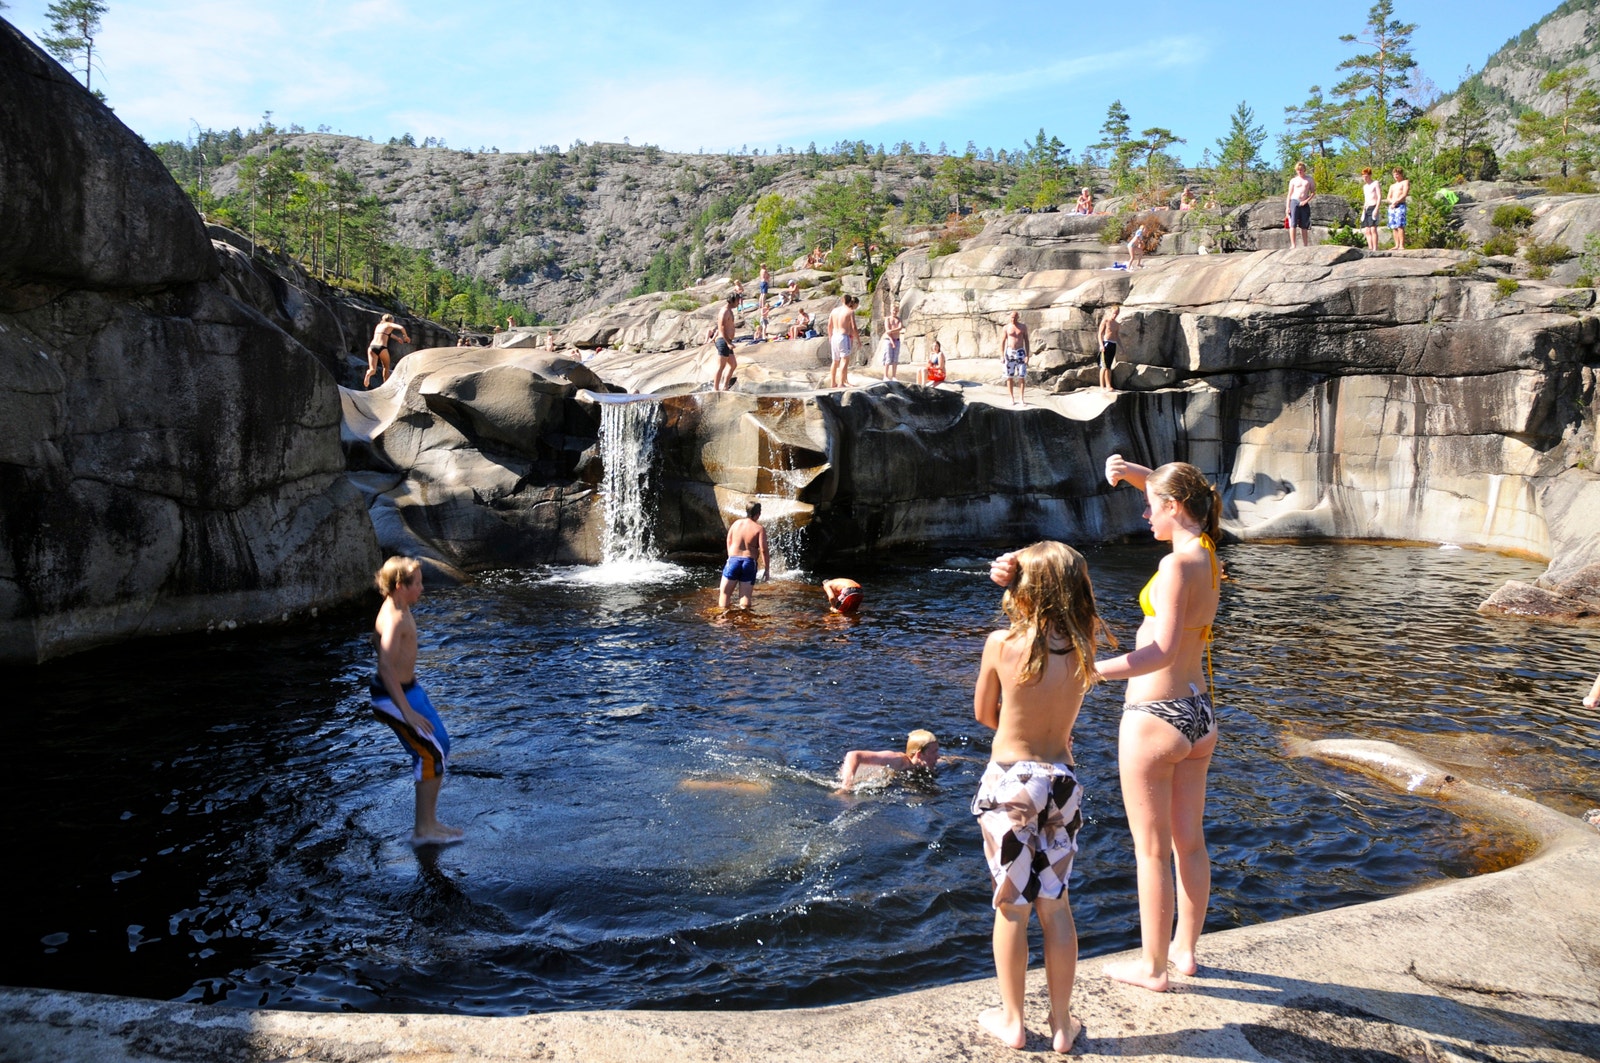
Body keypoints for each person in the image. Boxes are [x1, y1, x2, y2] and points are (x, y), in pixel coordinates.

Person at [972, 541, 1113, 1053]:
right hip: (1061, 781)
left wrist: (1005, 571)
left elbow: (985, 714)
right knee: (1056, 904)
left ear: (1023, 588)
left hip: (1011, 780)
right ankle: (1060, 1025)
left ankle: (1012, 1022)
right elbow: (1065, 580)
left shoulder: (1000, 643)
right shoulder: (1085, 642)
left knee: (1011, 906)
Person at [1096, 455, 1223, 992]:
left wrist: (1090, 672)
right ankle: (1186, 953)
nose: (1145, 515)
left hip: (1155, 715)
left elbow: (1161, 652)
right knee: (1188, 844)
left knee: (1150, 851)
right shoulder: (1209, 551)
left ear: (1174, 507)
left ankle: (1152, 969)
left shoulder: (1175, 567)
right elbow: (1180, 486)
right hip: (1199, 713)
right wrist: (1134, 474)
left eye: (1152, 507)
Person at [370, 556, 464, 846]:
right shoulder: (394, 618)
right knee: (429, 754)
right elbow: (386, 667)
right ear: (400, 586)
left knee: (440, 746)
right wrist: (406, 712)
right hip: (394, 698)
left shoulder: (401, 605)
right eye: (418, 583)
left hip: (410, 689)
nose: (422, 588)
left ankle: (430, 822)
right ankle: (423, 830)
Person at [838, 729, 938, 790]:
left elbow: (943, 759)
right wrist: (846, 785)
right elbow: (853, 755)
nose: (937, 756)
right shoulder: (896, 760)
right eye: (934, 752)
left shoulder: (922, 763)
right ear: (919, 754)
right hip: (860, 778)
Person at [718, 501, 769, 609]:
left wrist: (730, 557)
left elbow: (729, 540)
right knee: (745, 597)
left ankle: (722, 621)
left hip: (733, 561)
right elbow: (764, 550)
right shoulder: (759, 528)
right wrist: (767, 569)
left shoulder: (736, 524)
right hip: (749, 562)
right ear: (758, 514)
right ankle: (744, 622)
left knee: (725, 594)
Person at [364, 313, 411, 387]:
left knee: (372, 369)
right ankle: (386, 385)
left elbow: (387, 334)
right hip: (382, 347)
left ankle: (368, 374)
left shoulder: (379, 326)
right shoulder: (389, 324)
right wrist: (405, 336)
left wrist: (397, 338)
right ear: (391, 320)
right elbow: (401, 327)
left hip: (372, 347)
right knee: (386, 367)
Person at [828, 294, 860, 388]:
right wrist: (858, 340)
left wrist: (830, 337)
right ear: (850, 302)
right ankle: (841, 383)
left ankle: (833, 382)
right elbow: (854, 327)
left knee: (835, 361)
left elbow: (829, 325)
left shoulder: (834, 311)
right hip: (843, 336)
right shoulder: (850, 311)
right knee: (844, 360)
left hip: (834, 336)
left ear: (842, 300)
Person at [711, 293, 738, 391]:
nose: (739, 303)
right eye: (737, 300)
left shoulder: (729, 310)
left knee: (733, 365)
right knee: (721, 366)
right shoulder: (725, 311)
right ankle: (715, 389)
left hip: (727, 341)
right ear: (732, 300)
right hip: (723, 341)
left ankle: (725, 386)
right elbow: (721, 327)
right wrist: (728, 342)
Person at [1002, 311, 1030, 406]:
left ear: (1018, 317)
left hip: (1020, 352)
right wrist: (1002, 355)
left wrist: (1027, 355)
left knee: (1021, 376)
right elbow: (1002, 341)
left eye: (1014, 317)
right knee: (1009, 376)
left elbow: (1026, 341)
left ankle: (1021, 398)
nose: (1013, 319)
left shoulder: (1023, 327)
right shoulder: (1006, 327)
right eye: (1011, 317)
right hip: (1010, 352)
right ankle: (1011, 398)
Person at [1285, 161, 1315, 248]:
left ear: (1304, 169)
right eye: (1298, 170)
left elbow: (1313, 192)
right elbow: (1289, 194)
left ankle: (1305, 245)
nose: (1299, 171)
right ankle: (1293, 245)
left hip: (1304, 202)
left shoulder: (1309, 179)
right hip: (1294, 201)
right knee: (1292, 223)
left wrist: (1306, 201)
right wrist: (1287, 207)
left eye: (1301, 170)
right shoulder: (1293, 180)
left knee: (1304, 225)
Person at [1097, 305, 1121, 392]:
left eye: (1117, 314)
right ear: (1111, 312)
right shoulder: (1106, 321)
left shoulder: (1117, 324)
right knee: (1103, 366)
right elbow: (1100, 334)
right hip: (1106, 343)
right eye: (1114, 313)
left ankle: (1108, 385)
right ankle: (1102, 386)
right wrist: (1101, 345)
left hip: (1113, 344)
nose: (1115, 315)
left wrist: (1121, 347)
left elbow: (1117, 336)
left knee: (1109, 366)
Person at [1387, 167, 1410, 250]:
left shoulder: (1405, 182)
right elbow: (1388, 197)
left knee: (1400, 225)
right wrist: (1392, 202)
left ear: (1401, 174)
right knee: (1394, 226)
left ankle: (1401, 245)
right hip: (1392, 206)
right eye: (1394, 174)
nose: (1396, 176)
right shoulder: (1392, 186)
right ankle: (1396, 245)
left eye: (1397, 174)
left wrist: (1396, 202)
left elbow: (1404, 194)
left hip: (1400, 205)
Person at [1360, 167, 1382, 251]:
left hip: (1373, 206)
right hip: (1366, 208)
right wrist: (1363, 211)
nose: (1364, 178)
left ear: (1370, 175)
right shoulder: (1365, 186)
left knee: (1373, 229)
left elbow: (1379, 196)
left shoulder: (1375, 183)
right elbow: (1366, 199)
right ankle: (1370, 247)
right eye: (1363, 176)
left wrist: (1377, 208)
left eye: (1366, 176)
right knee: (1367, 230)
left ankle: (1375, 248)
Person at [881, 305, 904, 382]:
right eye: (894, 310)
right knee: (887, 358)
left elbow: (900, 328)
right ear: (891, 310)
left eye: (896, 311)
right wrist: (891, 341)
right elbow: (887, 331)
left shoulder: (899, 319)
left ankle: (894, 376)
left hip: (897, 340)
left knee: (895, 359)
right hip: (888, 340)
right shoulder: (887, 319)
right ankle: (885, 376)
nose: (895, 312)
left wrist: (892, 331)